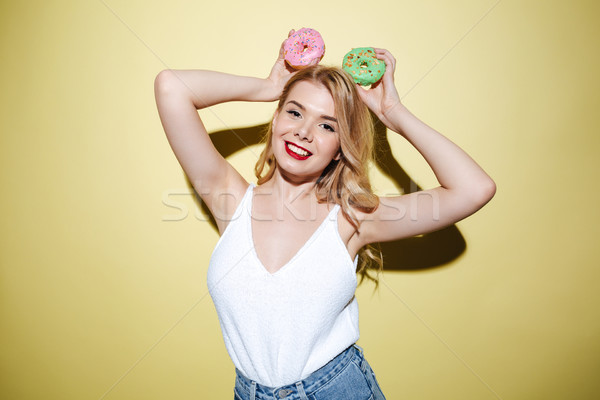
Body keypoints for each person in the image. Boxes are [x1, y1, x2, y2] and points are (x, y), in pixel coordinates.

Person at [154, 30, 495, 400]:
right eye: (295, 111)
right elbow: (171, 86)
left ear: (338, 149)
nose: (304, 132)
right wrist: (269, 86)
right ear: (276, 119)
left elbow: (474, 189)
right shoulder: (230, 200)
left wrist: (393, 114)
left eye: (327, 125)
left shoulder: (353, 218)